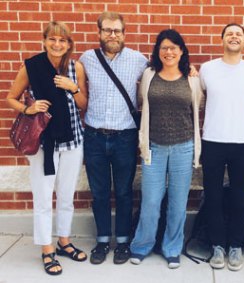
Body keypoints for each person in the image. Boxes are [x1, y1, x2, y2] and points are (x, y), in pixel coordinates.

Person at [6, 21, 88, 275]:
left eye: (63, 40)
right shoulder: (31, 67)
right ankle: (47, 248)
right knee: (43, 198)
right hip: (44, 143)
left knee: (66, 196)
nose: (57, 44)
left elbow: (84, 104)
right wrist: (27, 109)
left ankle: (64, 240)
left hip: (73, 141)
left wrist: (72, 87)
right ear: (44, 41)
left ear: (69, 44)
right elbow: (11, 97)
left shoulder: (77, 67)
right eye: (52, 39)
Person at [129, 29, 203, 269]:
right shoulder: (149, 75)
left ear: (181, 50)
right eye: (164, 48)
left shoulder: (192, 78)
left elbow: (198, 108)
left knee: (178, 202)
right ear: (157, 51)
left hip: (183, 147)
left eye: (174, 47)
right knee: (150, 200)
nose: (169, 52)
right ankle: (142, 246)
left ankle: (172, 248)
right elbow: (142, 104)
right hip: (154, 148)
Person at [79, 12, 148, 265]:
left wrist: (192, 70)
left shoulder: (138, 59)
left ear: (124, 33)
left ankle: (122, 242)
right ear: (99, 33)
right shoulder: (87, 58)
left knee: (123, 192)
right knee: (98, 193)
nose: (112, 35)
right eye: (107, 30)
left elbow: (164, 71)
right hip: (94, 136)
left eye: (117, 31)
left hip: (125, 138)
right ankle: (102, 241)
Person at [199, 23, 244, 271]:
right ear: (221, 40)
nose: (234, 37)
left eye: (239, 35)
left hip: (243, 141)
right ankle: (217, 246)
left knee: (239, 197)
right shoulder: (207, 69)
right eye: (229, 34)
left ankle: (235, 245)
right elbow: (199, 93)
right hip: (212, 140)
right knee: (212, 196)